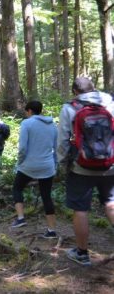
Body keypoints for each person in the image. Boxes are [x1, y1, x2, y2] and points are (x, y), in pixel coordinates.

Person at [57, 77, 114, 266]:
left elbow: (64, 139)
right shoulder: (109, 102)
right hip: (110, 165)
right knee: (111, 202)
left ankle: (82, 253)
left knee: (80, 209)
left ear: (75, 91)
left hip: (81, 167)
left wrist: (62, 162)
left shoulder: (70, 107)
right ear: (94, 88)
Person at [11, 101, 58, 239]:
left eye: (26, 112)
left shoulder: (27, 123)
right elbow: (56, 148)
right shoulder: (53, 125)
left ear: (29, 111)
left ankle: (21, 218)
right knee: (46, 196)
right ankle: (51, 230)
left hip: (28, 165)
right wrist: (54, 164)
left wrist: (19, 162)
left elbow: (23, 148)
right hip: (47, 166)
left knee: (17, 188)